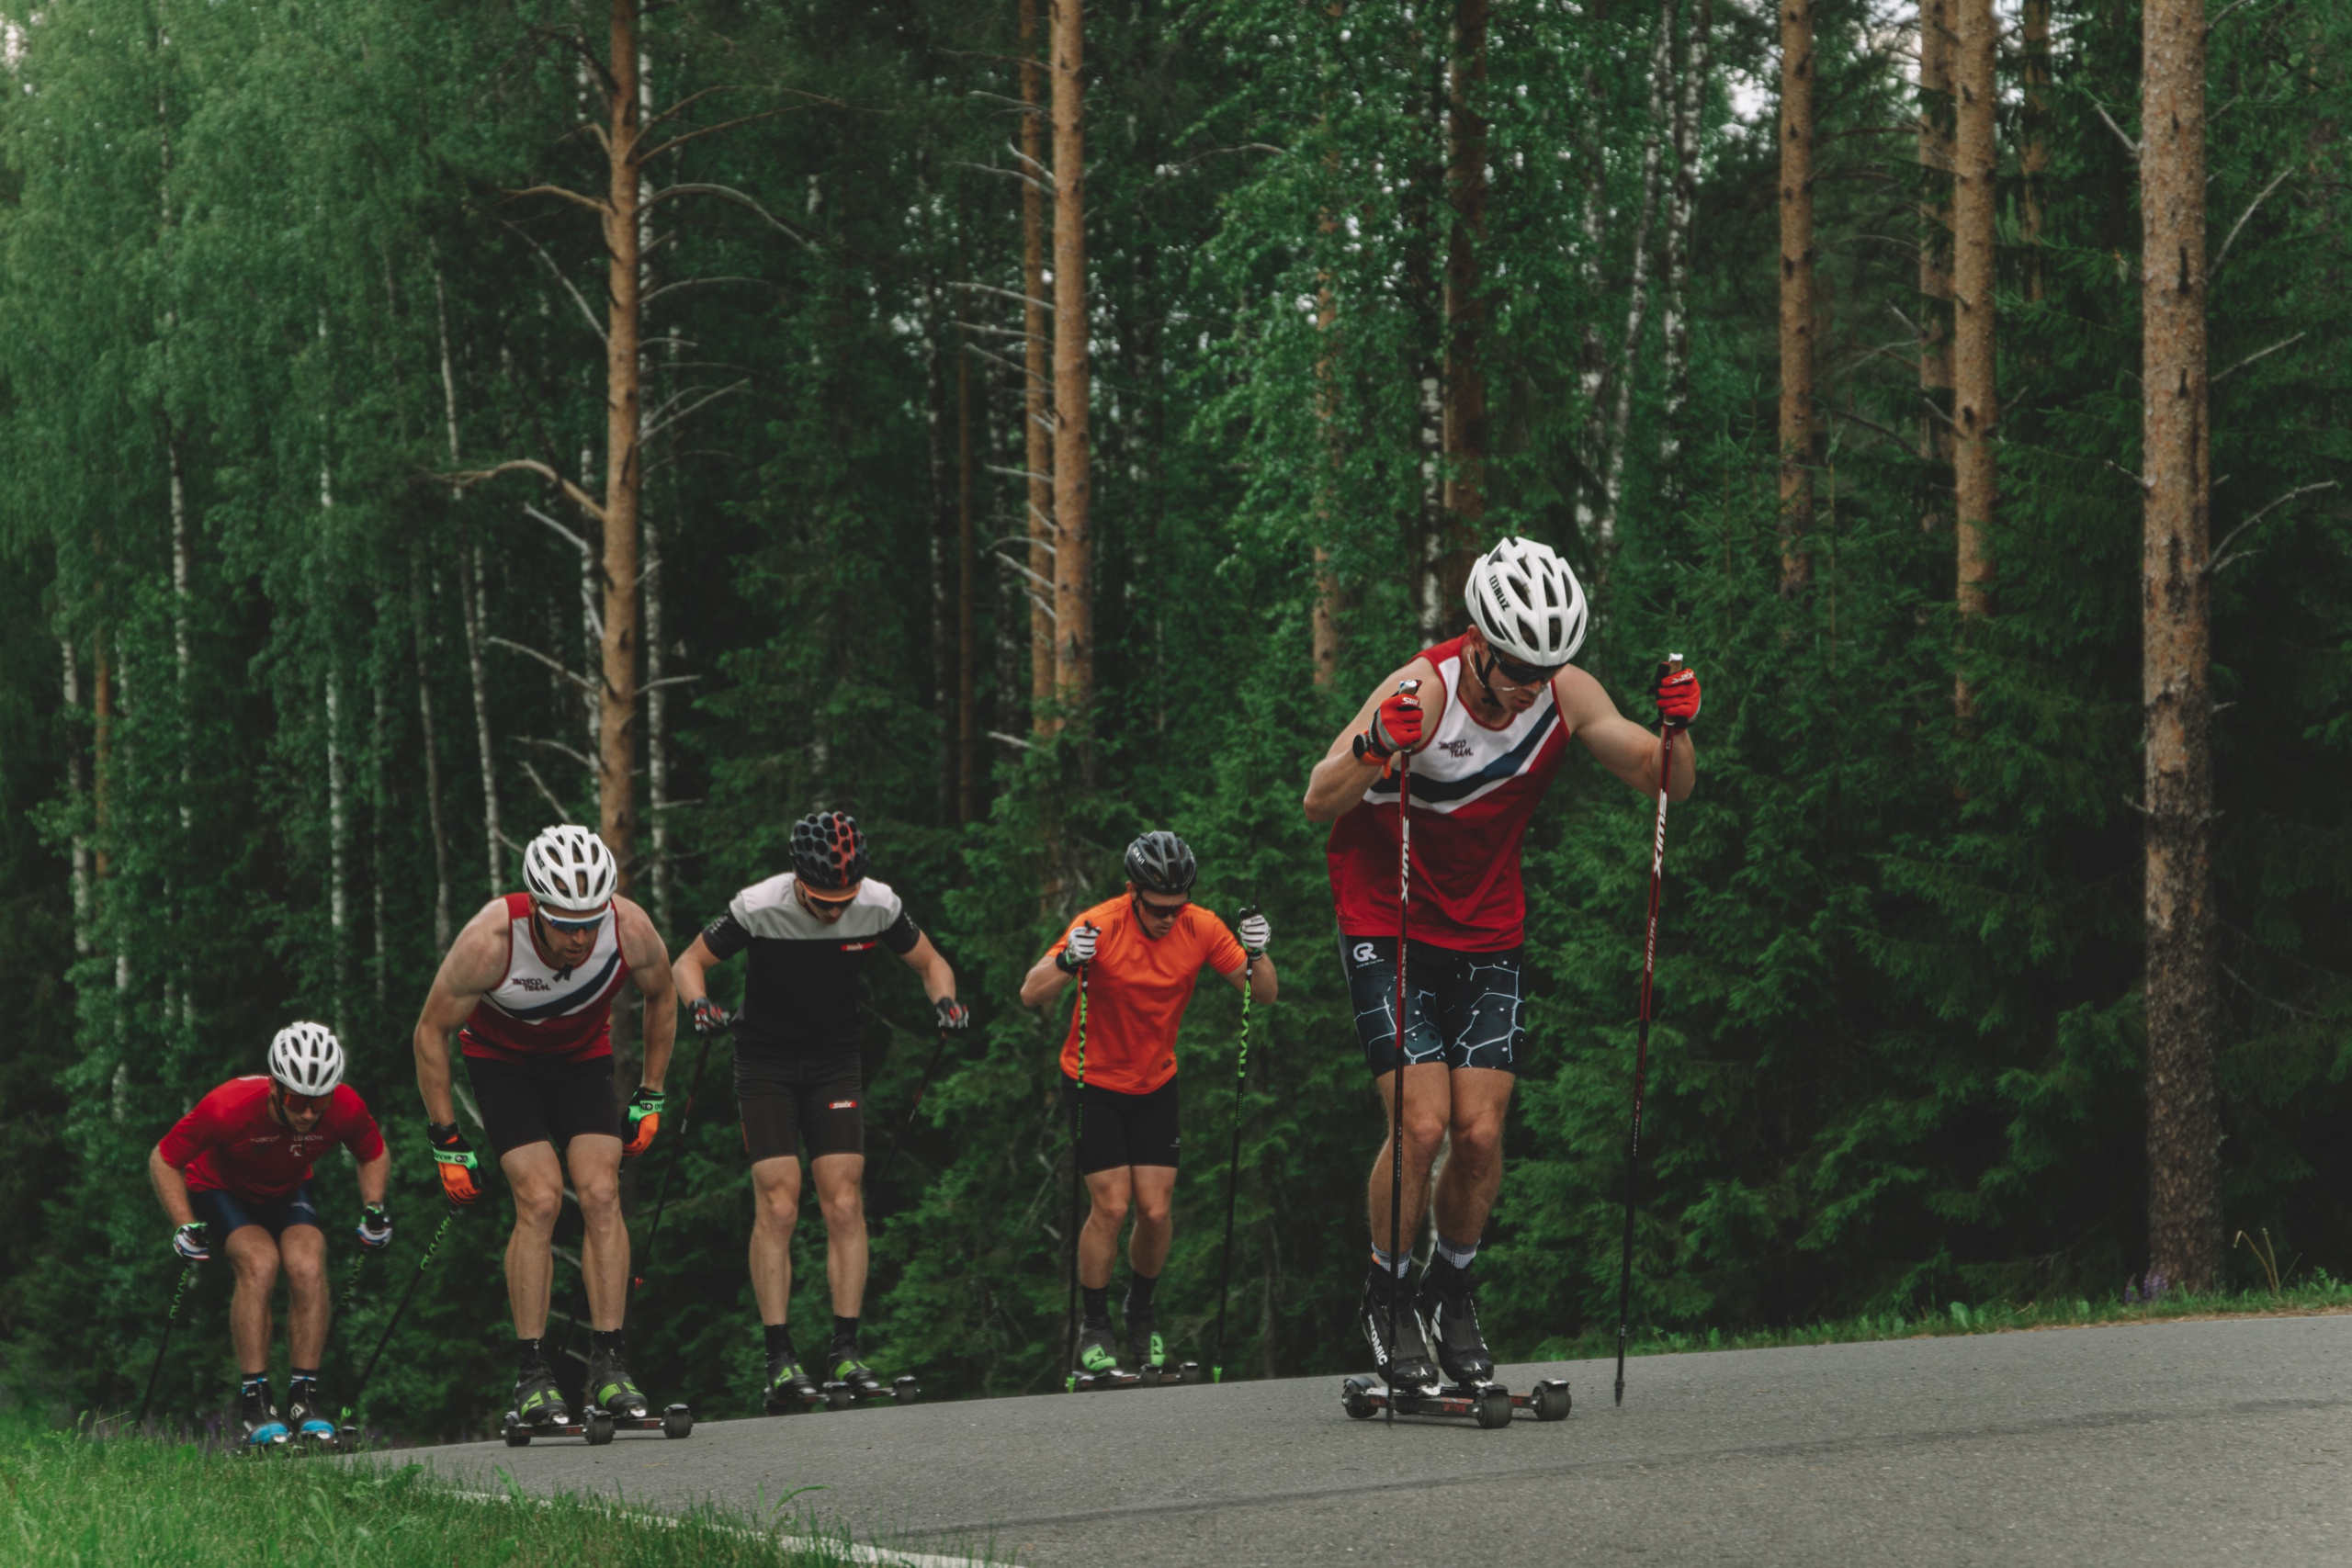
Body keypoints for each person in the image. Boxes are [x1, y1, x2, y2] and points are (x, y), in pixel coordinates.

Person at [1301, 536, 1701, 1394]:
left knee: (1480, 1133)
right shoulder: (1426, 686)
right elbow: (1317, 798)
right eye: (1517, 665)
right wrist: (1375, 742)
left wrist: (1678, 729)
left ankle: (1451, 1288)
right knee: (1421, 1125)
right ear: (1479, 640)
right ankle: (1387, 1293)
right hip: (1388, 918)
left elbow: (1665, 780)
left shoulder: (1564, 693)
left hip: (1486, 928)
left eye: (1546, 667)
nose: (1530, 684)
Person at [670, 810, 964, 1413]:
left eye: (844, 900)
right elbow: (687, 963)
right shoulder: (759, 905)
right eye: (823, 901)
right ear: (799, 880)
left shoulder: (878, 903)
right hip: (765, 1060)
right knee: (779, 1204)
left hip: (834, 1058)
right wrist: (699, 1004)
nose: (835, 911)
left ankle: (845, 1350)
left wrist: (946, 1003)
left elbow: (932, 962)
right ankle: (779, 1357)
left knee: (845, 1201)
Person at [410, 823, 677, 1427]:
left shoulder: (628, 928)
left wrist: (651, 1094)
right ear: (535, 905)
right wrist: (446, 1140)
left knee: (602, 1193)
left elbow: (664, 995)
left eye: (590, 922)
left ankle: (610, 1365)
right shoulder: (490, 940)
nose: (580, 938)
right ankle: (532, 1373)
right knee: (540, 1198)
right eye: (564, 923)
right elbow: (430, 1032)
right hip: (503, 1066)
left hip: (580, 1061)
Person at [1019, 830, 1277, 1382]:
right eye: (1158, 907)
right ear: (1132, 891)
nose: (1167, 918)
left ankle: (1140, 1310)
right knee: (1112, 1207)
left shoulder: (1200, 927)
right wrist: (1069, 958)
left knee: (1156, 1213)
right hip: (1092, 1081)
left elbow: (1264, 992)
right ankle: (1094, 1325)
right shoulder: (1100, 924)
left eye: (1176, 906)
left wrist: (1258, 952)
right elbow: (1031, 992)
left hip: (1155, 1082)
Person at [149, 1023, 390, 1445]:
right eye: (298, 1101)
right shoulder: (227, 1107)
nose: (309, 1114)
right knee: (260, 1264)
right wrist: (183, 1224)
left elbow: (373, 1151)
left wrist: (374, 1207)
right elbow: (164, 1158)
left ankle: (304, 1399)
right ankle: (255, 1402)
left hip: (286, 1188)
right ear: (275, 1088)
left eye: (320, 1101)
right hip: (221, 1188)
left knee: (308, 1265)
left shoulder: (346, 1107)